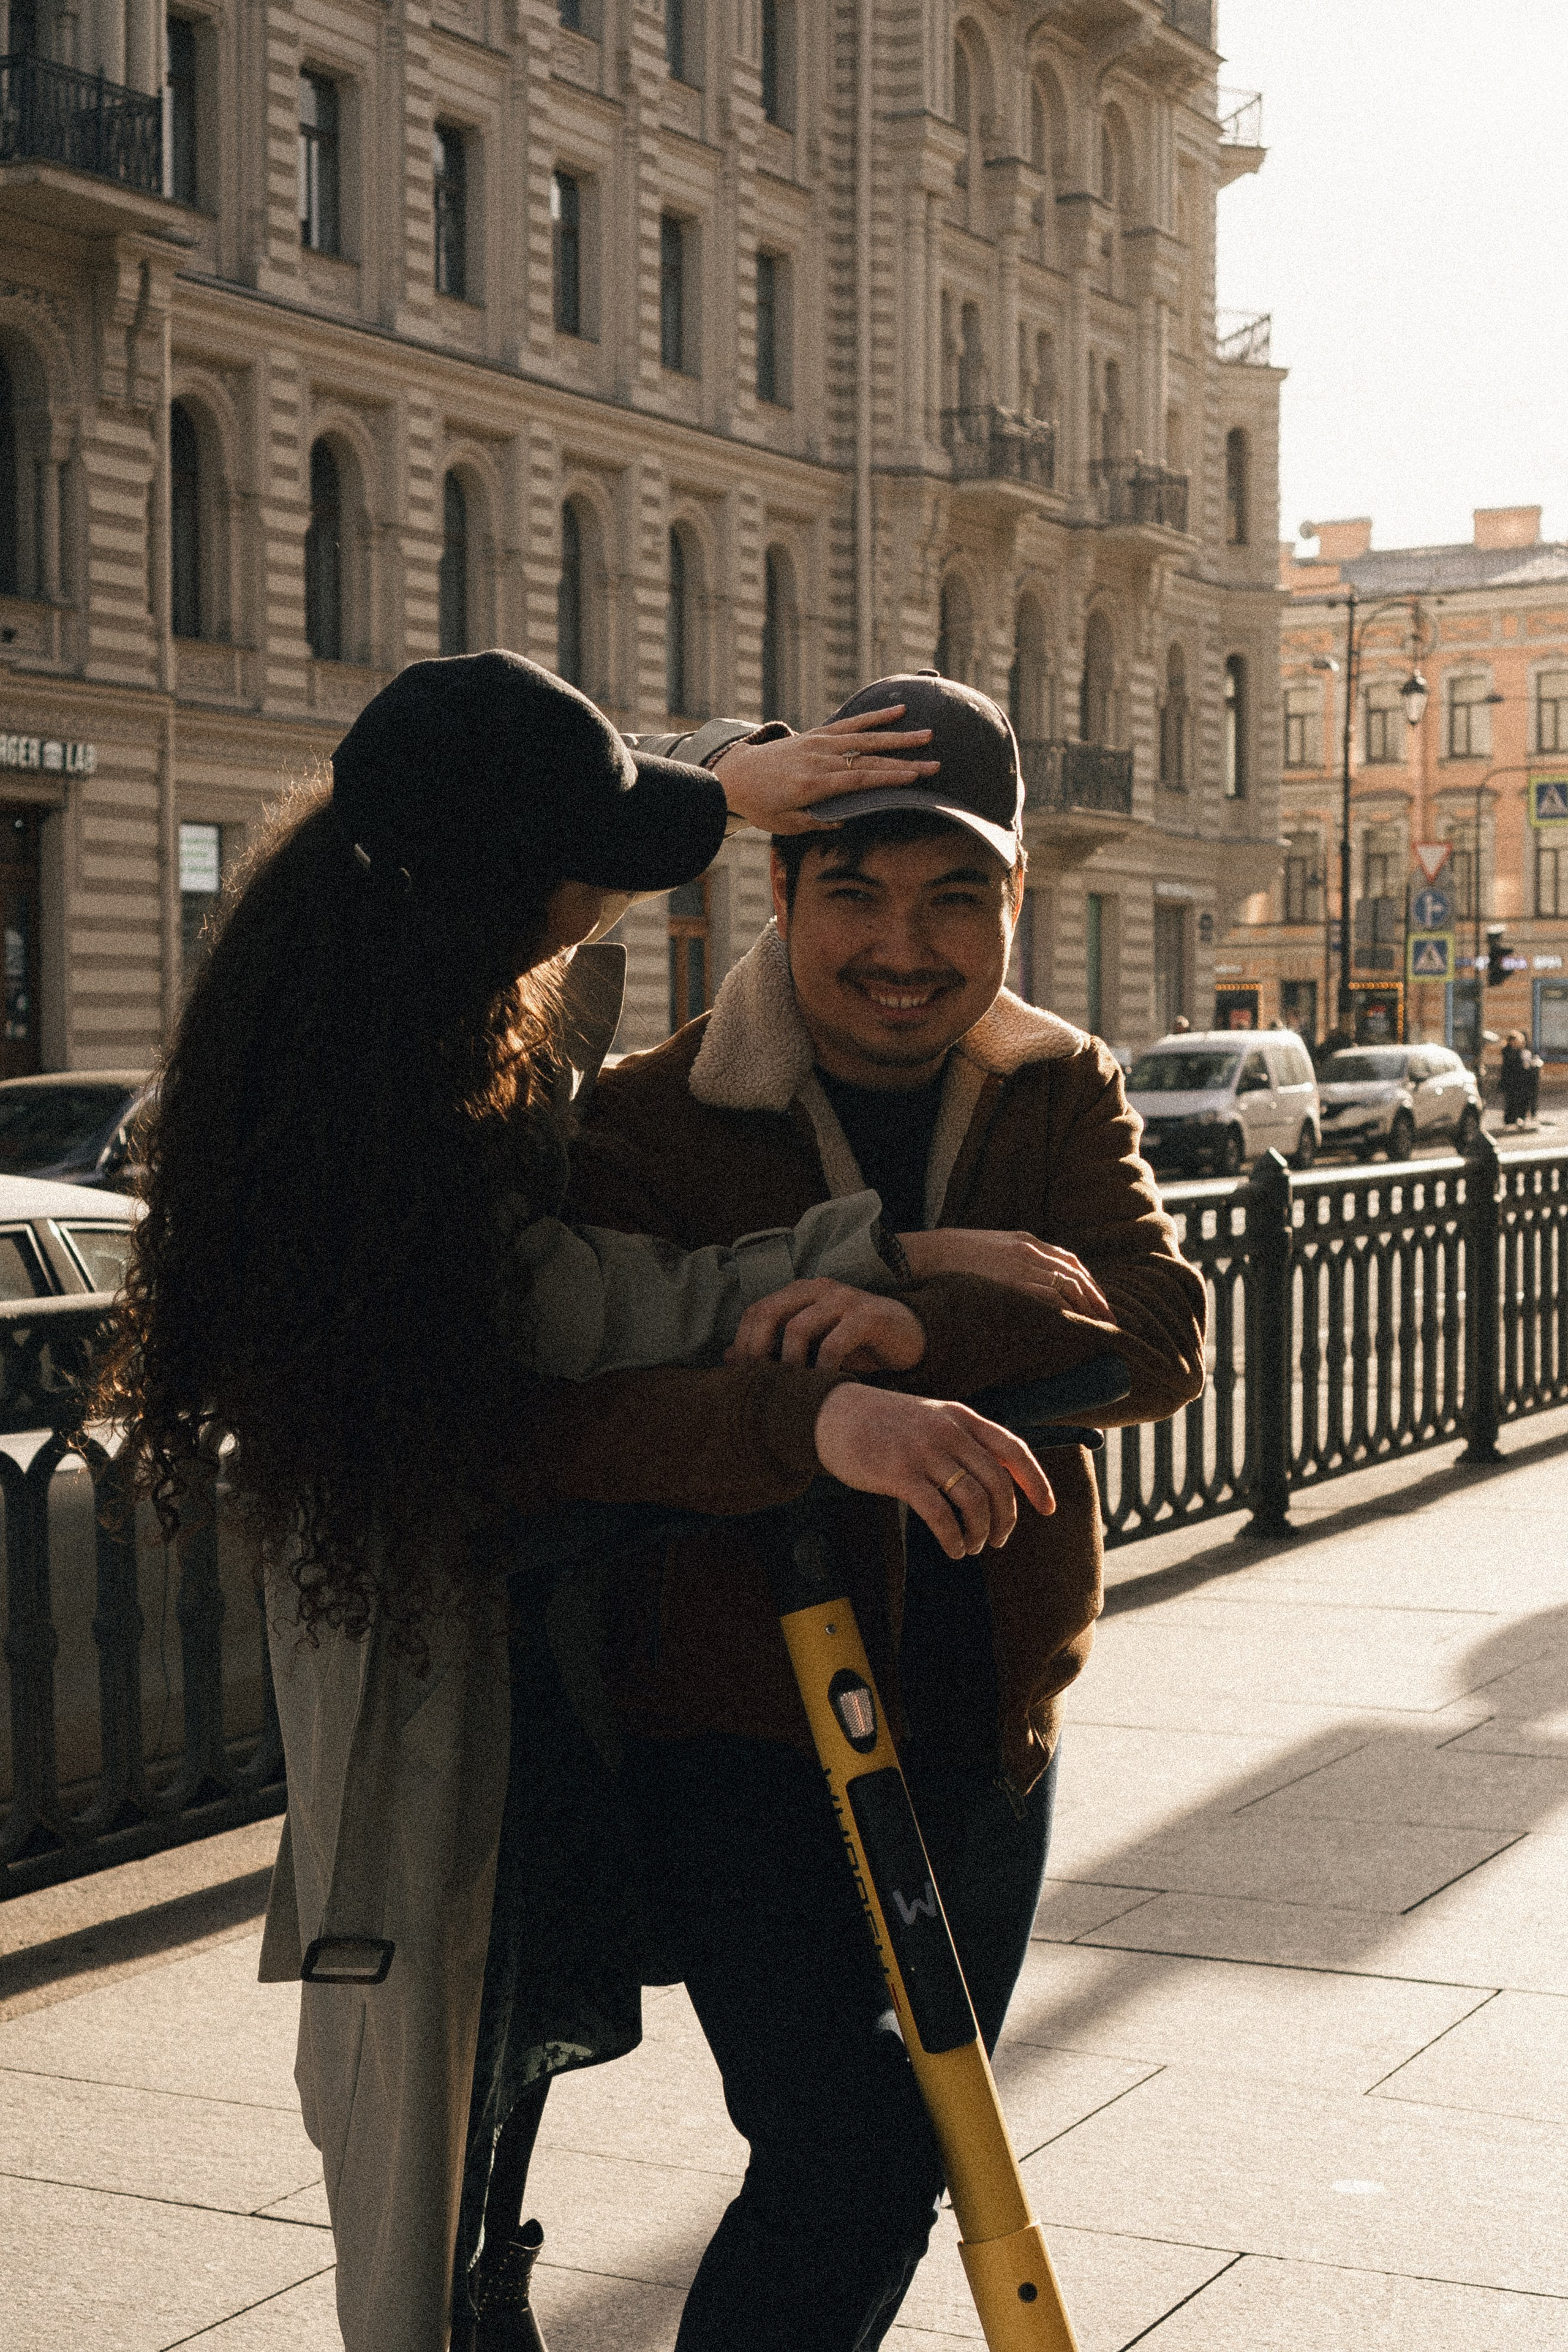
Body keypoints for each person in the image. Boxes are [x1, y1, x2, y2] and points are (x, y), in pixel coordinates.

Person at [92, 652, 1058, 2352]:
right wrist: (871, 1265)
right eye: (586, 864)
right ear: (500, 895)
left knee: (487, 2106)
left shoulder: (382, 971)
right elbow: (577, 1304)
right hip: (429, 1676)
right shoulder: (374, 1108)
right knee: (419, 2135)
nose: (610, 894)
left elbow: (560, 847)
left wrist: (723, 779)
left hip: (520, 1638)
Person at [562, 670, 1208, 2350]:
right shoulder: (647, 1115)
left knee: (918, 2154)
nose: (903, 948)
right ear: (779, 894)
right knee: (845, 2155)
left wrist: (919, 1329)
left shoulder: (1054, 1083)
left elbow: (1155, 1333)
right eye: (855, 891)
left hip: (984, 1724)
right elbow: (593, 1416)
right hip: (736, 1736)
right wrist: (822, 1409)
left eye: (953, 897)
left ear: (1015, 901)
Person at [1501, 1029, 1531, 1126]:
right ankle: (1510, 1119)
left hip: (1518, 1080)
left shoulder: (1518, 1051)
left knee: (1518, 1099)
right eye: (1513, 1041)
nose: (1514, 1043)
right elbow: (1512, 1065)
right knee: (1511, 1100)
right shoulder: (1508, 1051)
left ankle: (1516, 1118)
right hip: (1511, 1079)